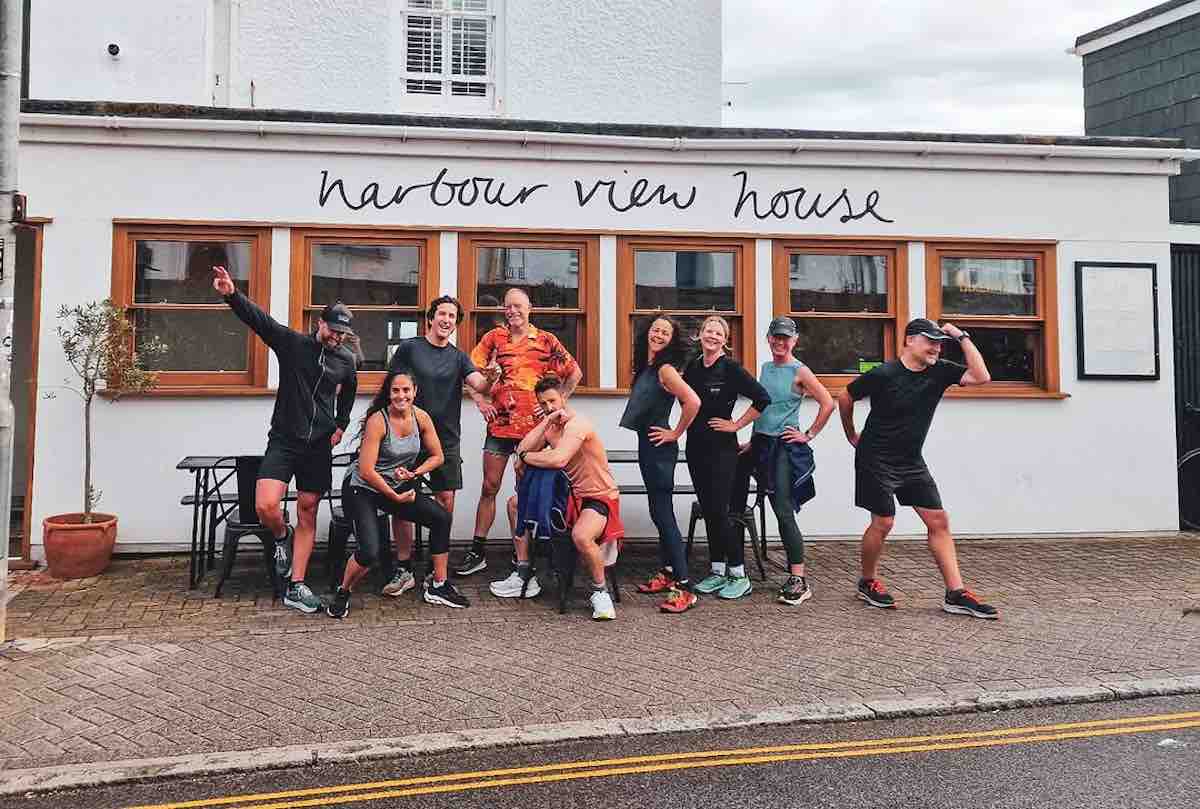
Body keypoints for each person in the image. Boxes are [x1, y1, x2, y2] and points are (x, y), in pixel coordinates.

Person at [212, 265, 357, 614]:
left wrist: (339, 425)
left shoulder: (347, 361)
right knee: (265, 506)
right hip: (284, 440)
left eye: (341, 333)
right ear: (319, 323)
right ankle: (280, 536)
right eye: (332, 329)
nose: (336, 337)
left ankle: (297, 585)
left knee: (307, 511)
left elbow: (348, 396)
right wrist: (232, 294)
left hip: (318, 446)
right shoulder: (293, 345)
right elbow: (260, 321)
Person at [837, 318, 998, 619]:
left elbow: (982, 376)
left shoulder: (940, 372)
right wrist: (851, 434)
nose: (936, 347)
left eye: (939, 342)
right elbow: (845, 397)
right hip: (876, 457)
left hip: (911, 460)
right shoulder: (884, 373)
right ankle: (867, 581)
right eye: (930, 341)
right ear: (910, 340)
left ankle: (956, 593)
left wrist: (960, 336)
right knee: (884, 522)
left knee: (938, 521)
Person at [456, 288, 583, 578]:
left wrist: (555, 406)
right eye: (508, 307)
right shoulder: (493, 339)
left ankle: (521, 556)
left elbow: (574, 374)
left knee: (523, 492)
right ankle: (478, 551)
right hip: (499, 427)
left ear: (530, 308)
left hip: (535, 433)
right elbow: (469, 374)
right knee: (489, 487)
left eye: (518, 306)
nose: (512, 311)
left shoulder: (546, 341)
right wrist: (481, 401)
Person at [327, 369, 465, 617]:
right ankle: (343, 591)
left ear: (415, 392)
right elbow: (367, 471)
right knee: (369, 552)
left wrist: (414, 474)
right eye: (395, 391)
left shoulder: (421, 417)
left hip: (397, 485)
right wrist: (394, 497)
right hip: (363, 488)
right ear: (389, 394)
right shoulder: (377, 421)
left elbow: (438, 456)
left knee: (441, 518)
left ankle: (439, 585)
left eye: (406, 390)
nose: (401, 395)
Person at [380, 296, 494, 597]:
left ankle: (435, 568)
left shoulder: (459, 358)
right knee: (402, 501)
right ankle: (404, 568)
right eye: (442, 314)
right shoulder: (410, 349)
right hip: (407, 436)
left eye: (452, 316)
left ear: (456, 323)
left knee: (445, 500)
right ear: (430, 318)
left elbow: (479, 384)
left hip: (445, 439)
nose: (446, 320)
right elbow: (391, 387)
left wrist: (492, 375)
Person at [495, 376, 624, 620]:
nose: (550, 407)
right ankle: (524, 572)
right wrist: (545, 423)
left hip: (598, 497)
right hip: (569, 497)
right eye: (543, 404)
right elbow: (522, 448)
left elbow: (557, 459)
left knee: (581, 536)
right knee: (514, 505)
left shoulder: (578, 424)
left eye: (553, 401)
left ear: (565, 397)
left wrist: (525, 458)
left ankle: (600, 593)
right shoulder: (552, 425)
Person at [728, 316, 835, 606]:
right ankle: (733, 569)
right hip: (760, 443)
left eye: (785, 338)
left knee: (783, 510)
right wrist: (752, 440)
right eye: (775, 336)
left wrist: (808, 434)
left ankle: (798, 578)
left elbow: (828, 403)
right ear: (768, 338)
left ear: (794, 341)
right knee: (732, 497)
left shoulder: (800, 371)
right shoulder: (765, 368)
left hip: (782, 448)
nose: (780, 342)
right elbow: (763, 408)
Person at [684, 315, 772, 603]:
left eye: (718, 332)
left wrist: (736, 425)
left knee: (721, 511)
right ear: (700, 335)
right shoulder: (693, 367)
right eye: (708, 330)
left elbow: (762, 399)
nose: (712, 336)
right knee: (709, 510)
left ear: (725, 339)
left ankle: (739, 575)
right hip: (696, 446)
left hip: (722, 450)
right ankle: (718, 570)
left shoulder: (731, 369)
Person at [618, 316, 701, 612]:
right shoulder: (649, 367)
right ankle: (667, 572)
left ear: (671, 339)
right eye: (655, 329)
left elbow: (692, 401)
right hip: (648, 445)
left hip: (659, 449)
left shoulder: (666, 370)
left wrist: (675, 432)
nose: (658, 335)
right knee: (658, 511)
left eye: (665, 332)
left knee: (663, 514)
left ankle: (684, 586)